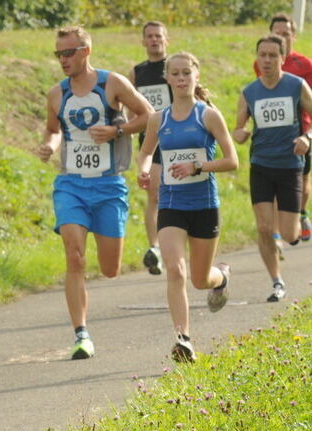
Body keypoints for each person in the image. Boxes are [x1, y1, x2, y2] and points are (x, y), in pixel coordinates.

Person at [37, 26, 152, 360]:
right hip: (71, 184)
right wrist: (49, 144)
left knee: (110, 268)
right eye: (58, 54)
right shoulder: (56, 94)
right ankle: (81, 333)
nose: (63, 60)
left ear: (85, 51)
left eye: (68, 53)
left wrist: (118, 129)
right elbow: (53, 129)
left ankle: (85, 324)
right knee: (74, 256)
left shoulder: (112, 83)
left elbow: (148, 116)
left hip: (108, 185)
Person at [137, 51, 238, 362]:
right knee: (175, 269)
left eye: (186, 74)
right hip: (171, 204)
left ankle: (221, 277)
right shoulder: (158, 119)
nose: (181, 79)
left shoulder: (208, 115)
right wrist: (142, 170)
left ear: (196, 77)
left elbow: (232, 161)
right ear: (167, 78)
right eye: (175, 74)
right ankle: (183, 339)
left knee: (199, 279)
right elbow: (145, 153)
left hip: (205, 205)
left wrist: (199, 167)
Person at [235, 35, 312, 302]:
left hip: (290, 166)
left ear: (282, 58)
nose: (266, 60)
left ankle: (290, 231)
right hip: (261, 165)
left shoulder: (296, 85)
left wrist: (307, 137)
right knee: (264, 228)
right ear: (257, 58)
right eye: (262, 55)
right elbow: (238, 127)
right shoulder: (249, 92)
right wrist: (240, 133)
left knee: (291, 235)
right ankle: (277, 281)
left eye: (272, 55)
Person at [253, 13, 312, 244]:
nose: (281, 37)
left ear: (293, 36)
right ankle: (277, 233)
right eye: (277, 33)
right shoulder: (262, 63)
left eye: (285, 33)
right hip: (272, 134)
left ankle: (302, 211)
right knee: (275, 182)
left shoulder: (305, 65)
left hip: (302, 132)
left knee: (303, 184)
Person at [128, 20, 173, 275]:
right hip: (151, 142)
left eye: (158, 35)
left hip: (177, 140)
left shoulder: (175, 68)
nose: (154, 40)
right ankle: (154, 248)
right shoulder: (137, 72)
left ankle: (177, 243)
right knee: (154, 194)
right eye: (150, 36)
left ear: (166, 40)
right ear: (143, 41)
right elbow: (127, 104)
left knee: (177, 197)